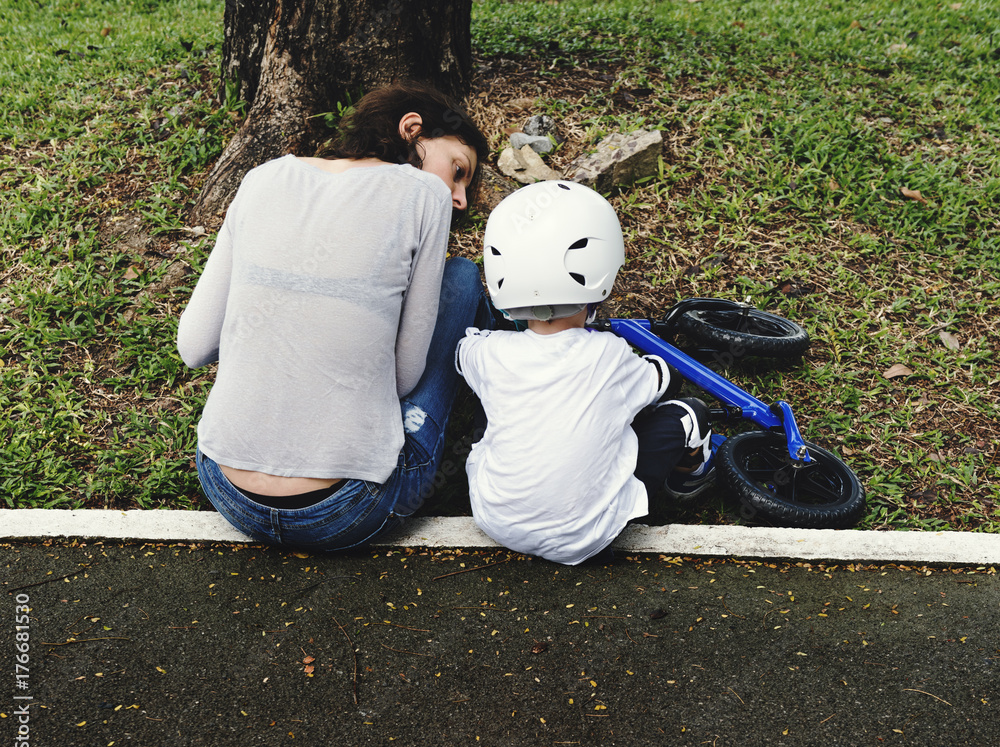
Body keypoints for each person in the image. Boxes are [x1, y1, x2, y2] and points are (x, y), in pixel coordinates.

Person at [177, 80, 491, 551]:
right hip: (346, 509)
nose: (461, 198)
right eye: (460, 170)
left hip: (227, 490)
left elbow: (194, 345)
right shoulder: (423, 195)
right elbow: (404, 379)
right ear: (412, 129)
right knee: (463, 277)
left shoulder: (262, 177)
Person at [456, 181, 717, 565]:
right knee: (689, 412)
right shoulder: (608, 353)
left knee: (491, 400)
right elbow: (660, 379)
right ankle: (688, 479)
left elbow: (464, 353)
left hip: (496, 521)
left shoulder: (490, 353)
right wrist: (662, 367)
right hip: (586, 537)